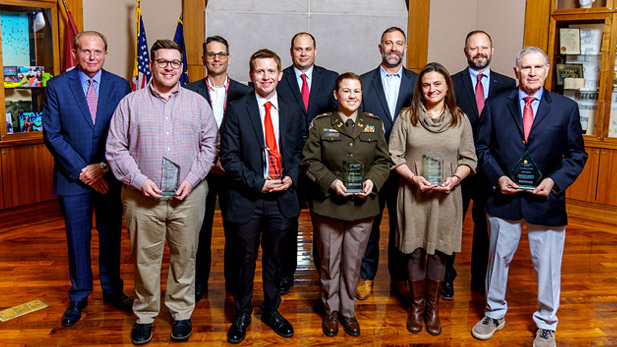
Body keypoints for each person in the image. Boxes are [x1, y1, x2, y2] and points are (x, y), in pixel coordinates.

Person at [471, 47, 587, 347]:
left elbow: (576, 155)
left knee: (547, 265)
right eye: (526, 67)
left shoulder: (565, 108)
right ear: (515, 71)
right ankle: (494, 313)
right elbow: (481, 149)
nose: (532, 72)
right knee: (497, 260)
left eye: (537, 67)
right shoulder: (496, 106)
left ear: (547, 70)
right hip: (503, 198)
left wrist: (554, 181)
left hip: (546, 201)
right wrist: (497, 177)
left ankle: (547, 323)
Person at [106, 39, 218, 345]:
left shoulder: (197, 103)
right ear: (151, 65)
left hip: (188, 196)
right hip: (142, 198)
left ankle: (181, 313)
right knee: (144, 259)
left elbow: (210, 146)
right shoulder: (130, 103)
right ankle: (144, 314)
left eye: (175, 63)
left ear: (181, 68)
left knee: (185, 256)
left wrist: (193, 179)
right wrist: (140, 180)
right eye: (162, 61)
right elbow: (115, 149)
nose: (169, 67)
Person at [42, 30, 133, 327]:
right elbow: (52, 135)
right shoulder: (56, 86)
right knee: (76, 239)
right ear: (75, 53)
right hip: (72, 178)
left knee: (110, 237)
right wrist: (85, 170)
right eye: (86, 51)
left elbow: (127, 135)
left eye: (98, 52)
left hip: (110, 176)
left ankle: (112, 290)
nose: (92, 57)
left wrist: (103, 167)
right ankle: (79, 295)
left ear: (106, 53)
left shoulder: (121, 86)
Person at [220, 49, 303, 344]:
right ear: (251, 75)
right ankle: (242, 312)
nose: (266, 77)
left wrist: (291, 176)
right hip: (248, 197)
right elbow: (229, 158)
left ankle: (271, 309)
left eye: (271, 71)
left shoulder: (293, 109)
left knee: (275, 259)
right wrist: (259, 183)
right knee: (243, 259)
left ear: (280, 75)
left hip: (282, 196)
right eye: (260, 71)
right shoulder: (237, 109)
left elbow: (297, 149)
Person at [389, 62, 477, 336]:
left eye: (438, 84)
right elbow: (394, 156)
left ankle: (433, 308)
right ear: (420, 88)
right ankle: (416, 306)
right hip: (414, 194)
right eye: (426, 84)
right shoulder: (406, 117)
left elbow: (469, 158)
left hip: (446, 197)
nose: (431, 89)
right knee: (414, 250)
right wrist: (414, 178)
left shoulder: (460, 119)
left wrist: (455, 179)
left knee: (439, 251)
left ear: (447, 87)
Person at [302, 72, 391, 337]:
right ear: (336, 95)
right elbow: (309, 162)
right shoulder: (321, 124)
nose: (352, 96)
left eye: (357, 91)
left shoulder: (374, 125)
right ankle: (330, 310)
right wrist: (329, 182)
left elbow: (383, 162)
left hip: (363, 206)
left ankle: (347, 312)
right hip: (328, 204)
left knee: (353, 262)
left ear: (362, 95)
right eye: (346, 91)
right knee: (330, 261)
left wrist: (372, 182)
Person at [444, 30, 516, 299]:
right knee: (451, 225)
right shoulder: (450, 84)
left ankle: (479, 278)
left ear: (492, 50)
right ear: (465, 52)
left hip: (491, 169)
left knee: (485, 228)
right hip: (458, 168)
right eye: (474, 48)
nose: (479, 52)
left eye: (484, 47)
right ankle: (446, 277)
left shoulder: (508, 85)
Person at [184, 35, 253, 301]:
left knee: (235, 232)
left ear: (228, 58)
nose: (216, 58)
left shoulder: (244, 92)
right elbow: (185, 134)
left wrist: (230, 161)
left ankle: (233, 284)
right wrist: (208, 160)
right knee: (199, 232)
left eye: (221, 54)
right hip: (200, 173)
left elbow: (250, 136)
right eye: (211, 54)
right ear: (204, 59)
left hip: (232, 174)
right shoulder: (189, 91)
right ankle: (199, 283)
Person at [357, 26, 418, 300]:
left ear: (405, 48)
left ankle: (399, 277)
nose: (393, 48)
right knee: (369, 223)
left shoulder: (419, 83)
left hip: (406, 168)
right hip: (372, 167)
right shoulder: (363, 82)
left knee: (401, 225)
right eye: (388, 43)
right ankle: (366, 276)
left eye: (398, 44)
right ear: (380, 47)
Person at [276, 32, 338, 294]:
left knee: (322, 220)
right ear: (291, 52)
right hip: (288, 159)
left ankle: (323, 272)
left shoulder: (331, 78)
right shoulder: (280, 78)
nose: (303, 53)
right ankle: (285, 273)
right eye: (298, 49)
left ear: (315, 51)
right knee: (287, 220)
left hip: (321, 161)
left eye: (308, 49)